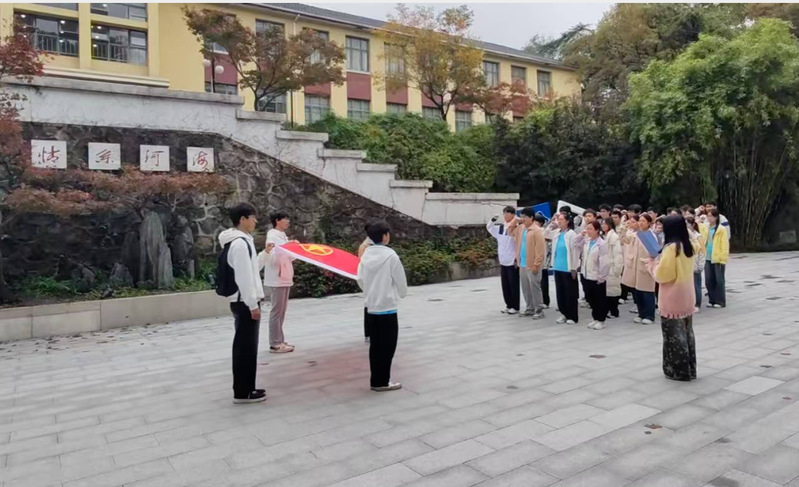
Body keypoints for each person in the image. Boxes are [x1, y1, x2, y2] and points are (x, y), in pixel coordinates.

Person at [219, 203, 267, 404]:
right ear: (243, 219)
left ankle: (247, 387)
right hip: (244, 302)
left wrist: (265, 254)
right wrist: (252, 305)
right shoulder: (240, 244)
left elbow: (251, 269)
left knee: (247, 346)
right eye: (253, 217)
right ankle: (243, 392)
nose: (255, 221)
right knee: (245, 348)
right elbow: (244, 277)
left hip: (243, 300)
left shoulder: (241, 241)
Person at [357, 220, 407, 392]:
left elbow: (360, 279)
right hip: (387, 307)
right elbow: (401, 281)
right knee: (388, 346)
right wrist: (401, 293)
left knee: (375, 346)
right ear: (385, 236)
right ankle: (382, 381)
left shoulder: (365, 256)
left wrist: (370, 292)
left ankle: (376, 380)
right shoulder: (391, 256)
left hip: (371, 307)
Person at [647, 215, 697, 381]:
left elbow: (663, 275)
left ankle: (679, 371)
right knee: (687, 333)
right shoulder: (688, 245)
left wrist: (652, 264)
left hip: (672, 297)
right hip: (687, 295)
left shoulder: (671, 248)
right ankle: (690, 368)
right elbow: (698, 240)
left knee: (674, 336)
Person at [259, 212, 296, 354]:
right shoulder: (272, 235)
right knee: (277, 311)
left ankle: (280, 339)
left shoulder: (282, 235)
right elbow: (273, 256)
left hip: (285, 276)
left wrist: (293, 248)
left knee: (282, 310)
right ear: (277, 221)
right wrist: (288, 247)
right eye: (285, 219)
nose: (287, 221)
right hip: (277, 277)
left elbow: (289, 256)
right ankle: (275, 343)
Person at [546, 212, 581, 324]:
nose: (559, 221)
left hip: (568, 268)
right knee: (560, 292)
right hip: (557, 267)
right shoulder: (557, 232)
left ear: (567, 221)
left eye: (561, 219)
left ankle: (572, 316)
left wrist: (574, 267)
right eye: (558, 219)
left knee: (569, 293)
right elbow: (545, 234)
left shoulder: (571, 234)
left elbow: (575, 252)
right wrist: (551, 224)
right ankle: (563, 313)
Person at [514, 207, 546, 319]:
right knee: (525, 287)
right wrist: (515, 221)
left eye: (525, 217)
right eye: (521, 216)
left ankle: (539, 309)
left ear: (531, 217)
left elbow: (540, 249)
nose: (522, 219)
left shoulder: (537, 230)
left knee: (535, 287)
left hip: (532, 264)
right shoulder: (521, 228)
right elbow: (510, 232)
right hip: (522, 263)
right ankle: (529, 308)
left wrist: (537, 264)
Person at [487, 208, 520, 315]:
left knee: (513, 284)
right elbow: (489, 227)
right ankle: (508, 305)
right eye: (504, 213)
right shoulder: (500, 228)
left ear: (513, 214)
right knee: (505, 285)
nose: (505, 215)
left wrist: (517, 258)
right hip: (503, 260)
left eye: (507, 213)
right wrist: (493, 220)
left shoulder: (517, 227)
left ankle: (515, 306)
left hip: (512, 260)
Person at [582, 221, 610, 330]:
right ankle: (595, 318)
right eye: (587, 228)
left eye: (590, 229)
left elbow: (604, 263)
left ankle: (601, 320)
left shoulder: (601, 244)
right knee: (591, 299)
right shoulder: (587, 241)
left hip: (597, 277)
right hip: (587, 274)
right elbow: (575, 243)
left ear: (597, 230)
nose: (588, 231)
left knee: (599, 299)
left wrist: (601, 277)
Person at [701, 208, 729, 308]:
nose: (709, 218)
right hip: (707, 257)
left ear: (716, 217)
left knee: (719, 280)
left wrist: (723, 258)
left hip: (717, 257)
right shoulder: (705, 227)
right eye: (708, 216)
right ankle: (711, 299)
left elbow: (725, 244)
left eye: (711, 216)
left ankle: (720, 301)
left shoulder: (721, 229)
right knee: (709, 280)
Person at [602, 217, 623, 319]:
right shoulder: (603, 236)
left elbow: (617, 254)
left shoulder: (614, 236)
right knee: (606, 291)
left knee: (613, 290)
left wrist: (617, 269)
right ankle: (607, 310)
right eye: (602, 224)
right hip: (604, 267)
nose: (603, 226)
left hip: (612, 266)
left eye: (605, 224)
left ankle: (614, 311)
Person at [686, 216, 705, 313]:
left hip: (696, 264)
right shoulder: (685, 237)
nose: (686, 227)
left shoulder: (698, 236)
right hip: (687, 265)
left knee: (696, 285)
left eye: (688, 225)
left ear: (693, 225)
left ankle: (697, 304)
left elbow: (702, 252)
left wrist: (701, 265)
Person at [359, 230, 374, 342]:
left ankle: (371, 333)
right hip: (369, 280)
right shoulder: (365, 246)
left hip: (375, 280)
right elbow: (361, 263)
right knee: (369, 305)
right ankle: (369, 333)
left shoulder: (374, 245)